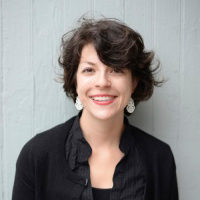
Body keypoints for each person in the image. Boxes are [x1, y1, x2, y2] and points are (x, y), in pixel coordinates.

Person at [12, 18, 179, 200]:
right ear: (75, 81)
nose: (102, 82)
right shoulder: (37, 155)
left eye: (116, 70)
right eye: (89, 70)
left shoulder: (159, 158)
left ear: (134, 83)